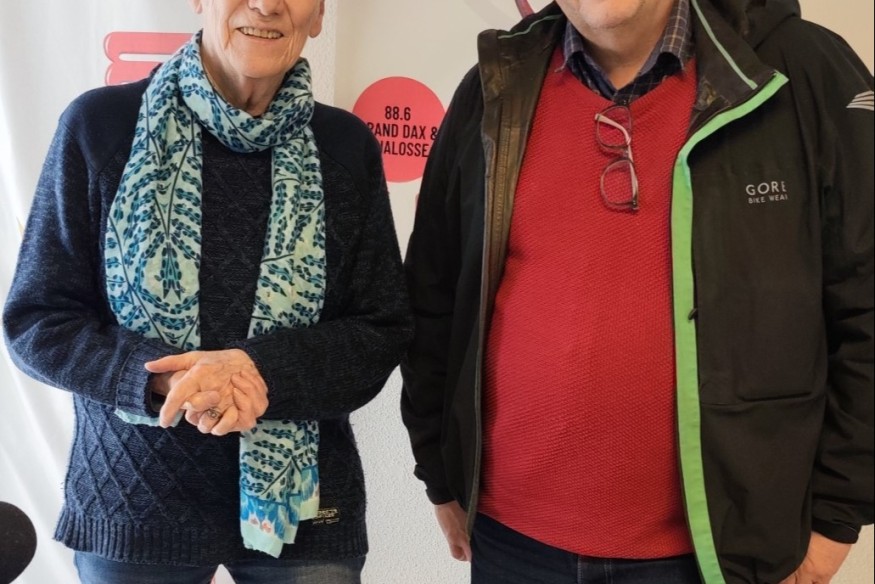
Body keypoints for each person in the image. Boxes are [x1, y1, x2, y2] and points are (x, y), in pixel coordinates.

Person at [400, 0, 873, 583]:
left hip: (712, 561)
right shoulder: (496, 85)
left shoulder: (804, 70)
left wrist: (837, 515)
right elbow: (433, 295)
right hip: (512, 546)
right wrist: (439, 476)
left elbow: (865, 302)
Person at [2, 0, 412, 582]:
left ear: (319, 14)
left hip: (303, 517)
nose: (266, 5)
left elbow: (380, 328)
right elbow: (38, 320)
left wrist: (258, 371)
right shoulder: (100, 126)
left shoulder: (345, 147)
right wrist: (160, 380)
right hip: (133, 509)